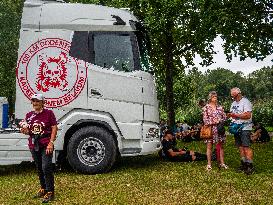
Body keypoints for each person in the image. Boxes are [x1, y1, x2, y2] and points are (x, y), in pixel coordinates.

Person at [20, 94, 58, 203]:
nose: (35, 103)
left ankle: (50, 192)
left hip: (46, 143)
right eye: (33, 101)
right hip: (33, 144)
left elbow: (54, 127)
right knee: (39, 168)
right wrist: (24, 130)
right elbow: (27, 130)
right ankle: (43, 188)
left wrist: (51, 143)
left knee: (46, 167)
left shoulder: (49, 113)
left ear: (42, 102)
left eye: (37, 101)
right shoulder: (29, 115)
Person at [227, 87, 254, 175]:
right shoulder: (233, 103)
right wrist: (230, 116)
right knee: (240, 147)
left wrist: (235, 115)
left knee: (246, 147)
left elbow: (248, 115)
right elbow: (232, 115)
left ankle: (250, 166)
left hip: (245, 127)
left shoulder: (246, 102)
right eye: (232, 97)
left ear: (238, 94)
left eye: (234, 96)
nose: (233, 98)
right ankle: (243, 164)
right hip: (236, 127)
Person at [202, 91, 227, 171]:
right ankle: (209, 164)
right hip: (210, 129)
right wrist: (215, 121)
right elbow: (205, 120)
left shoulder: (220, 107)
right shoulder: (206, 107)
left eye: (216, 96)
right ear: (210, 98)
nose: (215, 97)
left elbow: (224, 118)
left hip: (219, 129)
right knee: (209, 146)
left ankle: (222, 163)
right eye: (213, 96)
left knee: (220, 146)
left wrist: (221, 120)